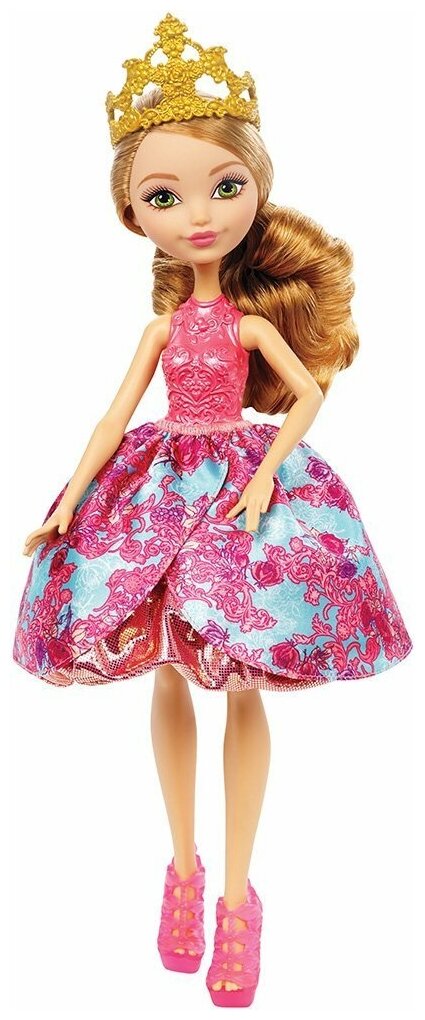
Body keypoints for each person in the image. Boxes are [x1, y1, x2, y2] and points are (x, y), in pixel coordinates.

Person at [12, 12, 413, 1008]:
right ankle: (182, 870)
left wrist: (269, 469)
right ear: (132, 214)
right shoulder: (160, 327)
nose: (196, 214)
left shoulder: (244, 326)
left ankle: (237, 898)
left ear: (255, 190)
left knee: (237, 676)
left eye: (222, 188)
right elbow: (114, 416)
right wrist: (68, 499)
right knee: (163, 667)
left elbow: (306, 394)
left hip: (232, 484)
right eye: (165, 196)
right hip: (158, 485)